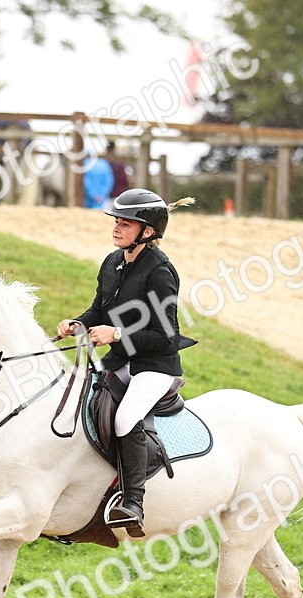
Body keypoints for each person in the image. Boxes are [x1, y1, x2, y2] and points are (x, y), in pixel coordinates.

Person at [56, 189, 196, 535]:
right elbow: (99, 309)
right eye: (116, 221)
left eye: (125, 223)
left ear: (147, 231)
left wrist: (116, 334)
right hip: (121, 360)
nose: (116, 228)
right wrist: (78, 323)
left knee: (125, 417)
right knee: (79, 399)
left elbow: (166, 336)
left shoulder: (161, 272)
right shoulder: (112, 262)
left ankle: (133, 502)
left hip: (155, 366)